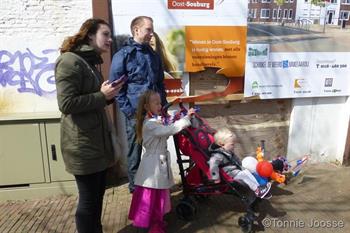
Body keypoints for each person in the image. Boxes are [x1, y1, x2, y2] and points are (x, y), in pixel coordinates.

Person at [55, 18, 123, 233]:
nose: (110, 39)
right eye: (105, 34)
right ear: (90, 35)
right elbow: (66, 104)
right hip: (82, 143)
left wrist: (109, 95)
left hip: (95, 141)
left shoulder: (90, 62)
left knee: (96, 198)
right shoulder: (70, 61)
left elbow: (93, 99)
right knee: (88, 201)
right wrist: (101, 96)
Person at [109, 16, 167, 193]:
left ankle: (156, 184)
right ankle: (136, 188)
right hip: (135, 114)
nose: (151, 33)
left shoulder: (154, 56)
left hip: (155, 114)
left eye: (152, 29)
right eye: (148, 29)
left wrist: (163, 106)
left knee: (157, 151)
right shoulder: (123, 55)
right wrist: (129, 112)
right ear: (136, 30)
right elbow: (116, 88)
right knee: (135, 151)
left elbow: (160, 84)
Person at [128, 90, 195, 233]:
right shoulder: (150, 124)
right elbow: (169, 130)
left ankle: (153, 223)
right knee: (149, 198)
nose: (160, 105)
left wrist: (177, 118)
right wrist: (186, 119)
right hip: (153, 167)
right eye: (156, 103)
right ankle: (145, 228)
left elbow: (166, 126)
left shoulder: (154, 121)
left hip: (157, 164)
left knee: (155, 197)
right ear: (147, 106)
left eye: (160, 102)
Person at [208, 128, 272, 199]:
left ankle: (259, 187)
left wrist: (240, 165)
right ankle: (257, 190)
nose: (234, 146)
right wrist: (216, 178)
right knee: (244, 176)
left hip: (236, 169)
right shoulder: (218, 155)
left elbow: (235, 158)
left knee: (247, 172)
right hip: (230, 174)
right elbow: (213, 164)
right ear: (222, 144)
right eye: (232, 144)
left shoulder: (227, 150)